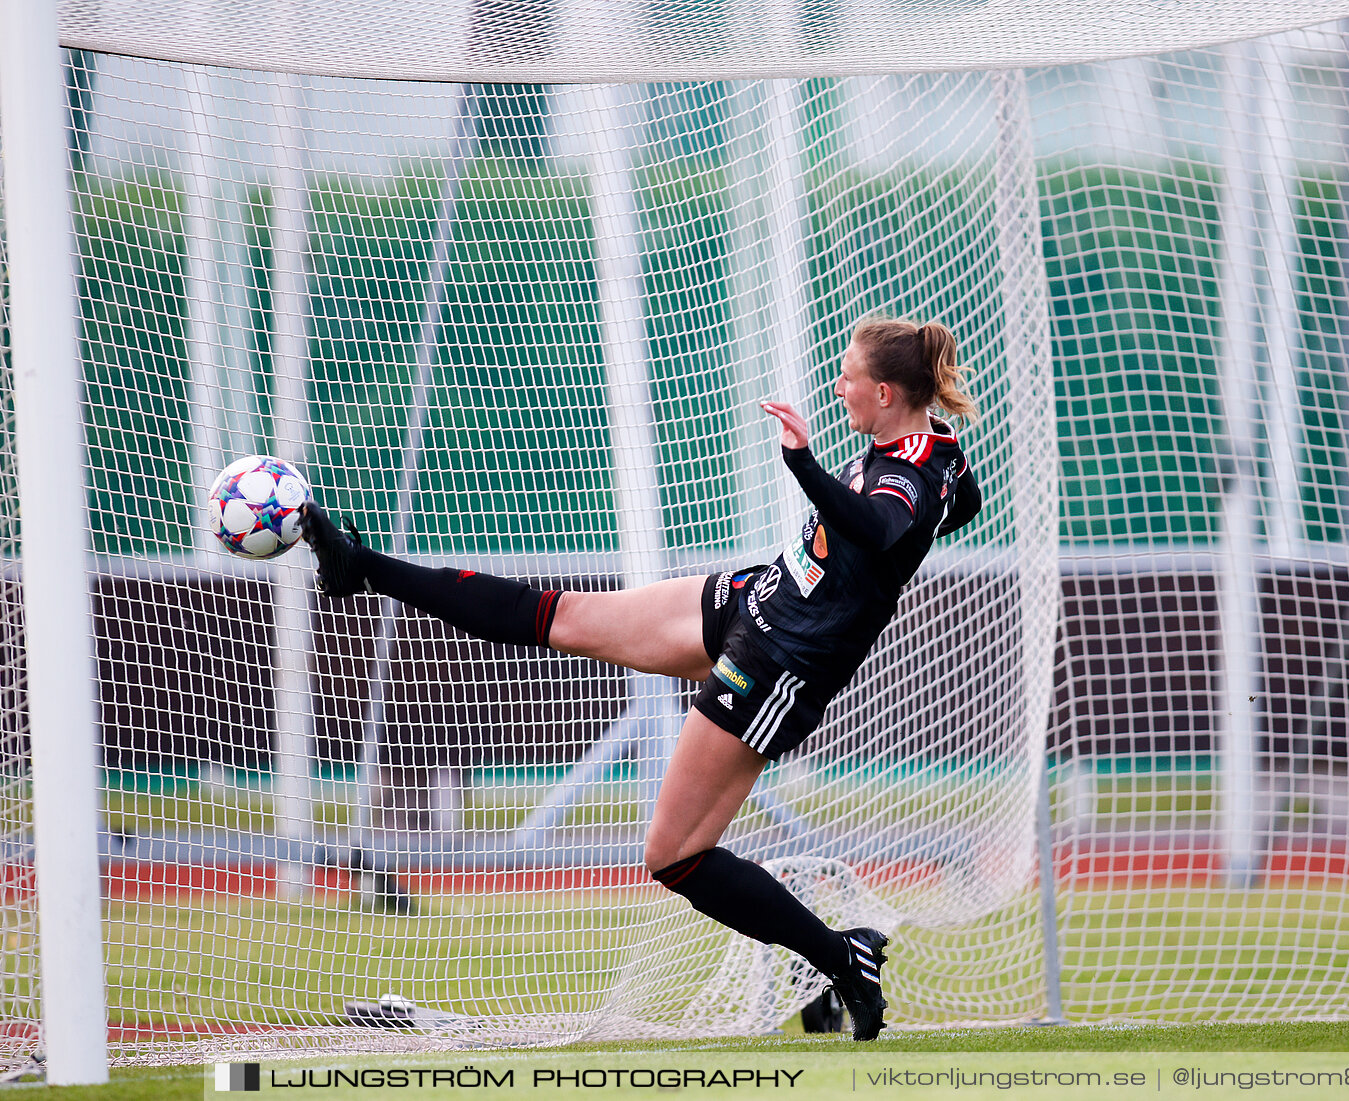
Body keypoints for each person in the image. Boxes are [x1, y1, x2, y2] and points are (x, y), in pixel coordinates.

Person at [302, 317, 983, 1040]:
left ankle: (842, 958)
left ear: (883, 391)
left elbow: (880, 528)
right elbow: (957, 505)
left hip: (780, 662)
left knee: (674, 855)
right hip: (753, 598)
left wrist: (804, 464)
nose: (838, 385)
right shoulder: (935, 452)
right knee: (558, 616)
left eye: (849, 376)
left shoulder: (907, 469)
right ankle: (360, 564)